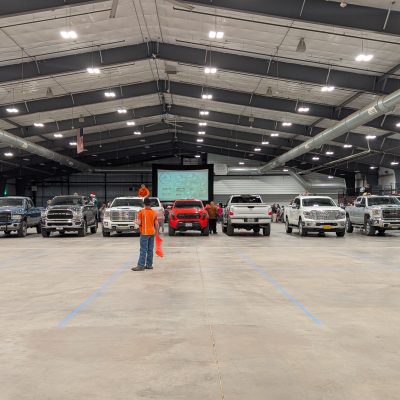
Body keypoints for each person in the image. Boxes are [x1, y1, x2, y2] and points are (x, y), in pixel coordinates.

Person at [132, 197, 159, 271]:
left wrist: (135, 222)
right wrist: (157, 232)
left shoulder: (141, 212)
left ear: (144, 204)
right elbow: (156, 223)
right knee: (150, 249)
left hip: (144, 233)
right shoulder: (154, 212)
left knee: (143, 249)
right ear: (150, 204)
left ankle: (141, 265)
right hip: (152, 233)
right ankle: (149, 265)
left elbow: (139, 222)